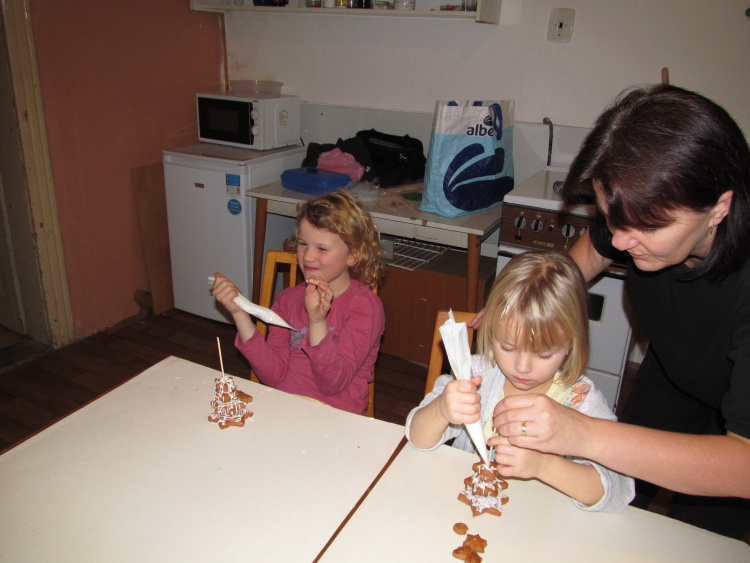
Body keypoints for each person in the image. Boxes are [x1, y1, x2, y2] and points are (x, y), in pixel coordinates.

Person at [493, 84, 750, 539]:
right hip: (670, 373)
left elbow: (743, 466)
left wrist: (584, 434)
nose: (621, 241)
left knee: (701, 536)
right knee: (626, 510)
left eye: (646, 228)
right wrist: (523, 308)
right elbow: (586, 257)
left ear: (719, 208)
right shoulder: (632, 218)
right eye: (613, 218)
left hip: (736, 439)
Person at [406, 251, 634, 512]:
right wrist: (441, 410)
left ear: (571, 345)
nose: (522, 367)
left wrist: (543, 465)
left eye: (544, 354)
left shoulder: (581, 400)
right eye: (507, 347)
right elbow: (417, 438)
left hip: (540, 524)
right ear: (491, 331)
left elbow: (618, 490)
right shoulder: (477, 375)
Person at [212, 190, 386, 415]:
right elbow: (273, 375)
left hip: (334, 417)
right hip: (284, 407)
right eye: (303, 244)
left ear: (353, 255)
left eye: (321, 248)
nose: (307, 257)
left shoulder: (365, 306)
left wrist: (317, 323)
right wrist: (239, 313)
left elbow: (332, 384)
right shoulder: (287, 300)